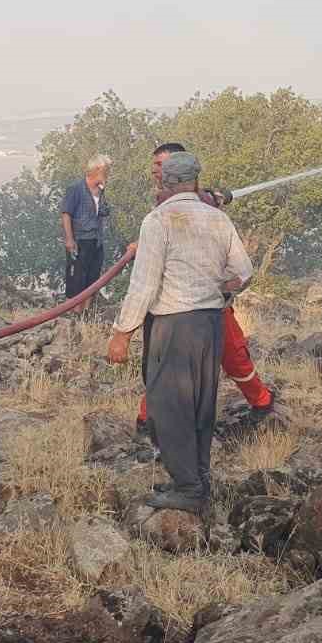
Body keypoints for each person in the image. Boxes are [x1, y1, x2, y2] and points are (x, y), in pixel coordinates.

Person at [107, 151, 253, 516]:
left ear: (164, 183)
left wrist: (122, 333)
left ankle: (188, 488)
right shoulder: (218, 219)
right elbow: (244, 270)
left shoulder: (158, 221)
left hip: (173, 324)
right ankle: (197, 479)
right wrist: (224, 289)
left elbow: (143, 284)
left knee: (168, 406)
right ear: (196, 183)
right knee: (201, 404)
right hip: (209, 324)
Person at [134, 142, 274, 435]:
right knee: (163, 363)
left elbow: (237, 267)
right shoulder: (164, 203)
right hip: (175, 304)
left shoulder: (196, 203)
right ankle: (147, 420)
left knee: (234, 356)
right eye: (155, 166)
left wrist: (209, 198)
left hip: (210, 301)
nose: (155, 171)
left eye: (161, 166)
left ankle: (262, 403)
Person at [60, 155, 112, 309]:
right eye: (106, 170)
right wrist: (69, 239)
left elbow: (103, 212)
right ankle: (76, 310)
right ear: (98, 169)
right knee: (78, 277)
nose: (108, 173)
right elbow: (66, 213)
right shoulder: (76, 188)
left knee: (93, 276)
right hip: (81, 239)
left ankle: (86, 311)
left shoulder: (101, 190)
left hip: (97, 239)